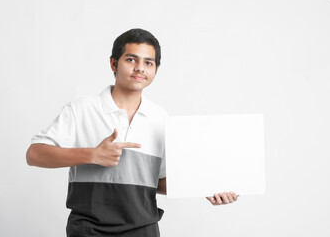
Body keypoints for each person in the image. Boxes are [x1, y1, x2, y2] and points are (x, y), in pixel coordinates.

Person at [26, 28, 238, 237]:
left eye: (148, 62)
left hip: (144, 229)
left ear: (155, 69)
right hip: (89, 229)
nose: (140, 68)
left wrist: (204, 186)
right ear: (113, 63)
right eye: (131, 60)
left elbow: (154, 181)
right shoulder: (81, 109)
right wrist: (92, 154)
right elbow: (34, 154)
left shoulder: (160, 117)